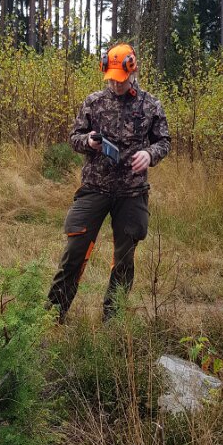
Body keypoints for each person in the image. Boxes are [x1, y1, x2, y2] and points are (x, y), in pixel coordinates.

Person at [47, 43, 170, 322]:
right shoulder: (93, 102)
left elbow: (164, 141)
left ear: (133, 71)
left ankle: (112, 322)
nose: (115, 84)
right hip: (95, 187)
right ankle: (52, 317)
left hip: (132, 192)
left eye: (120, 79)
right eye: (111, 79)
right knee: (75, 251)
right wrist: (88, 142)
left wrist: (149, 154)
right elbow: (74, 138)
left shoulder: (151, 105)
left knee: (124, 260)